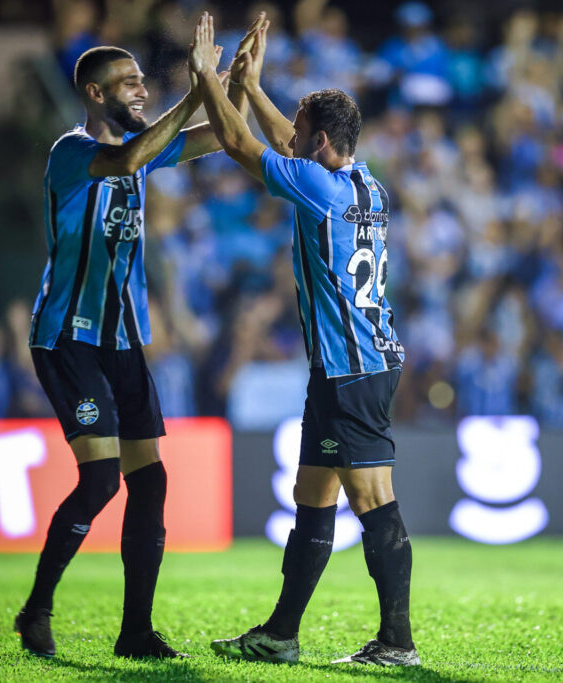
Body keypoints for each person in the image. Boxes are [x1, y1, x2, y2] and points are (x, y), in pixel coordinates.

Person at [14, 15, 264, 660]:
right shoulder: (73, 151)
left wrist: (235, 83)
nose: (141, 89)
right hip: (68, 337)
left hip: (124, 338)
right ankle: (36, 609)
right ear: (95, 93)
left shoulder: (142, 146)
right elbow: (129, 158)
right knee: (101, 480)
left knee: (149, 483)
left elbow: (222, 135)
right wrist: (198, 89)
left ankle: (136, 632)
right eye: (127, 83)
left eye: (142, 80)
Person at [190, 14, 419, 667]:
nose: (289, 135)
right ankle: (281, 634)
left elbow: (239, 143)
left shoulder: (318, 188)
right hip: (349, 363)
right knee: (313, 496)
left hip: (353, 367)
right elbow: (288, 146)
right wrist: (252, 86)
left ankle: (397, 643)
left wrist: (210, 80)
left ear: (319, 141)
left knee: (372, 499)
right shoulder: (365, 183)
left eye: (299, 128)